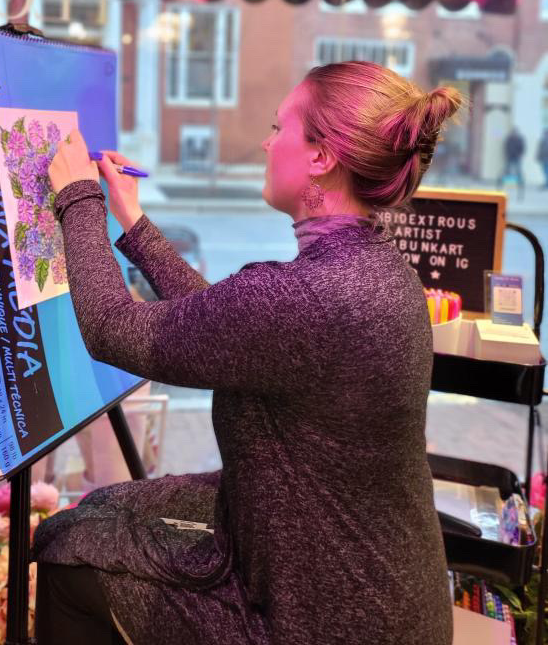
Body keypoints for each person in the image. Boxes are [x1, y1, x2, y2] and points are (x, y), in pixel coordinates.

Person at [32, 60, 463, 645]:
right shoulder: (376, 268)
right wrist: (129, 218)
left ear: (321, 157)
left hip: (323, 615)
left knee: (68, 552)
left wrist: (77, 197)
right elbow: (235, 329)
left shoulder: (308, 295)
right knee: (96, 511)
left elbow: (113, 328)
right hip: (384, 591)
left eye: (278, 127)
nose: (266, 142)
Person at [500, 127, 526, 198]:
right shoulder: (509, 138)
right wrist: (507, 154)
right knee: (506, 170)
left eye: (514, 132)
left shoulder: (520, 139)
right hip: (510, 157)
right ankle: (506, 185)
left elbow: (523, 148)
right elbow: (505, 147)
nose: (514, 133)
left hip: (517, 157)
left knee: (518, 172)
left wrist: (519, 155)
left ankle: (520, 185)